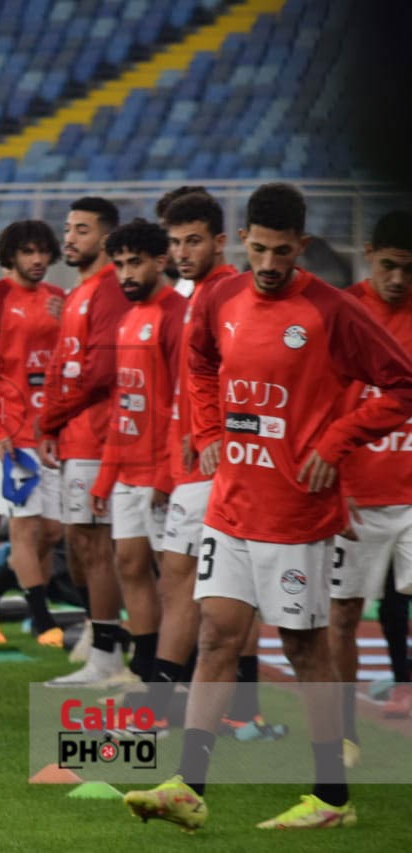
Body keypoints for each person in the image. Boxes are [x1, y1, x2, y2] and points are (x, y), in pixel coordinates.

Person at [126, 183, 412, 831]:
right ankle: (188, 785)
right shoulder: (220, 297)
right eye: (259, 249)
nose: (269, 264)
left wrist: (336, 443)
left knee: (305, 649)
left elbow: (401, 384)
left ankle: (332, 797)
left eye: (282, 252)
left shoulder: (332, 310)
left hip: (296, 513)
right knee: (216, 635)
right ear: (243, 241)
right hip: (232, 503)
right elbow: (199, 362)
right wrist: (208, 430)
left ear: (301, 246)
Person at [144, 191, 239, 726]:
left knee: (182, 579)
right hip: (197, 458)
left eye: (193, 241)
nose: (182, 252)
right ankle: (234, 709)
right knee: (212, 588)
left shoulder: (225, 293)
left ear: (220, 241)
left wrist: (211, 434)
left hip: (217, 463)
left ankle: (159, 706)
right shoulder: (200, 294)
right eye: (175, 242)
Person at [39, 197, 134, 687]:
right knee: (80, 548)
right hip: (75, 437)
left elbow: (99, 374)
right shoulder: (79, 292)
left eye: (81, 230)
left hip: (98, 438)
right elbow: (65, 363)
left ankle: (109, 655)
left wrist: (49, 419)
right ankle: (107, 637)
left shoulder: (109, 289)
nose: (70, 238)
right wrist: (53, 427)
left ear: (106, 238)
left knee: (96, 548)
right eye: (68, 228)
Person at [88, 220, 186, 686]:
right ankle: (144, 668)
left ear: (160, 262)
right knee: (128, 564)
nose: (126, 274)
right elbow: (123, 405)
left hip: (164, 472)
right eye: (120, 264)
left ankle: (179, 676)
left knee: (175, 578)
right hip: (127, 468)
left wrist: (167, 475)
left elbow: (184, 405)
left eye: (135, 263)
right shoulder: (129, 317)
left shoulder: (177, 315)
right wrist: (105, 477)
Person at [331, 210, 412, 756]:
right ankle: (343, 734)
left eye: (409, 268)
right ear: (368, 255)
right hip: (356, 498)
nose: (398, 279)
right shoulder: (343, 313)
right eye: (388, 266)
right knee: (342, 615)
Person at [0, 220, 66, 646]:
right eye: (28, 251)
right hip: (7, 433)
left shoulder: (59, 300)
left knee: (52, 532)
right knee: (3, 525)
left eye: (43, 251)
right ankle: (43, 622)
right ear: (10, 255)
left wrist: (67, 324)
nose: (38, 259)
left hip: (48, 433)